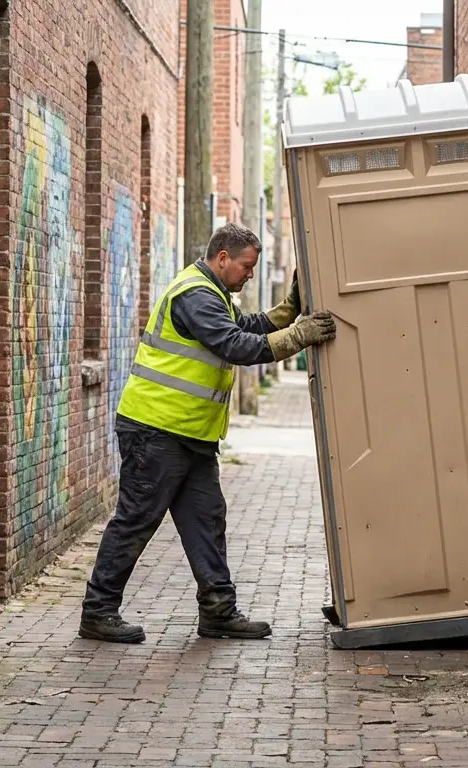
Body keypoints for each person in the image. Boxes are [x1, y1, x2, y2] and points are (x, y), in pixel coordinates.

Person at [79, 223, 336, 644]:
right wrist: (299, 336)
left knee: (206, 521)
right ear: (223, 259)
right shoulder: (195, 295)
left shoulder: (212, 292)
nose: (250, 274)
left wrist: (291, 309)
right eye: (246, 266)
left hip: (188, 434)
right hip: (157, 430)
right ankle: (98, 612)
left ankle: (218, 611)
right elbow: (235, 345)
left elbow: (249, 325)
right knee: (136, 520)